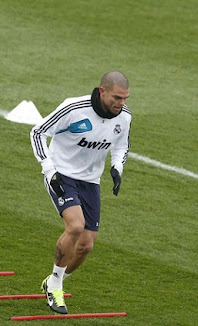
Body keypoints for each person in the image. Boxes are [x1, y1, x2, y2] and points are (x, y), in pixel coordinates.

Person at [30, 71, 132, 313]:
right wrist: (49, 170)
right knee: (75, 226)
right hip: (61, 173)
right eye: (117, 97)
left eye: (125, 98)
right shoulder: (74, 108)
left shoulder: (124, 117)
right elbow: (37, 132)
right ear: (102, 91)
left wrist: (117, 168)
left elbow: (121, 146)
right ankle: (55, 288)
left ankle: (54, 281)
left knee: (86, 245)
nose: (121, 103)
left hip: (90, 181)